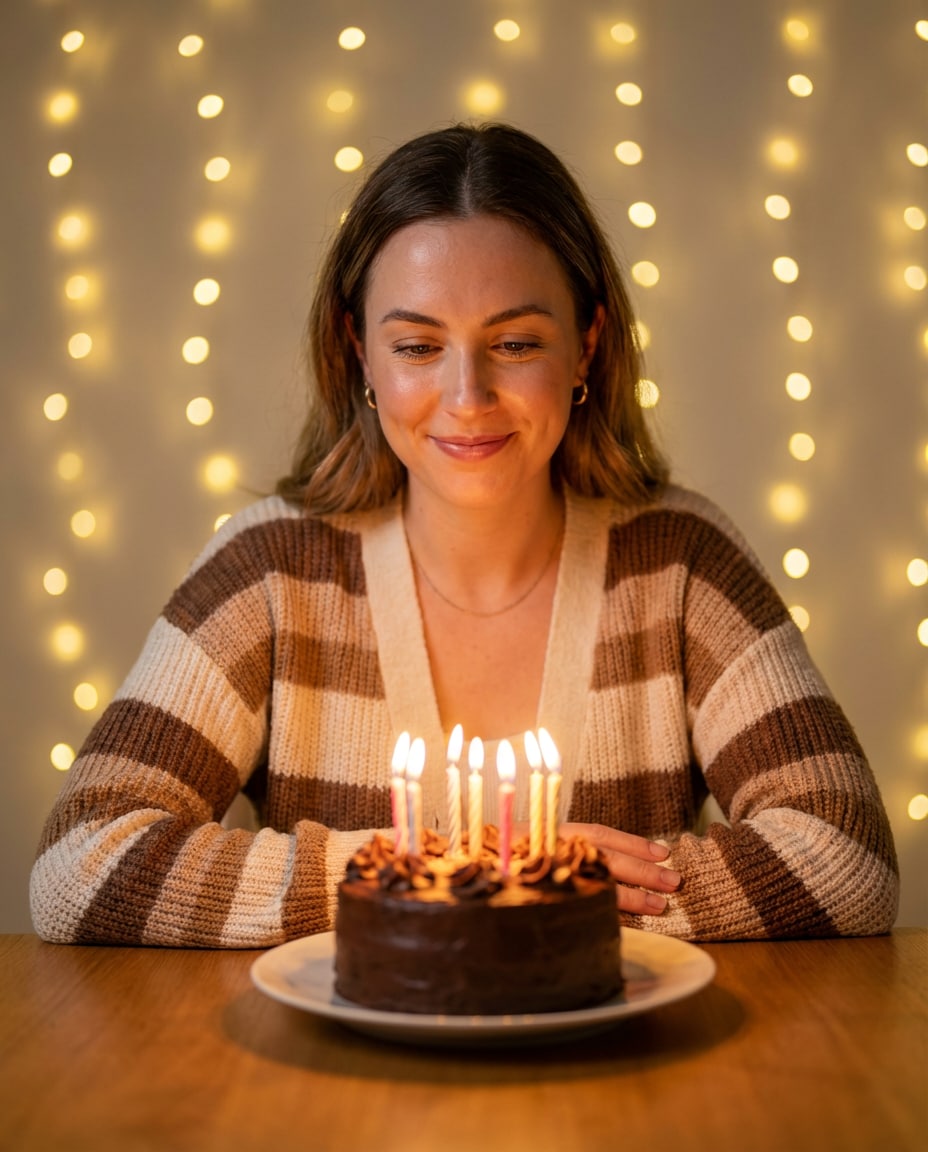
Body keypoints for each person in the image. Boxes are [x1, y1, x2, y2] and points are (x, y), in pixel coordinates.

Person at [31, 122, 898, 947]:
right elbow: (79, 864)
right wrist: (419, 877)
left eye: (515, 342)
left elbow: (847, 855)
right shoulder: (268, 571)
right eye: (416, 346)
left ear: (588, 344)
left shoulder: (679, 562)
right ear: (359, 350)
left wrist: (557, 891)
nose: (467, 396)